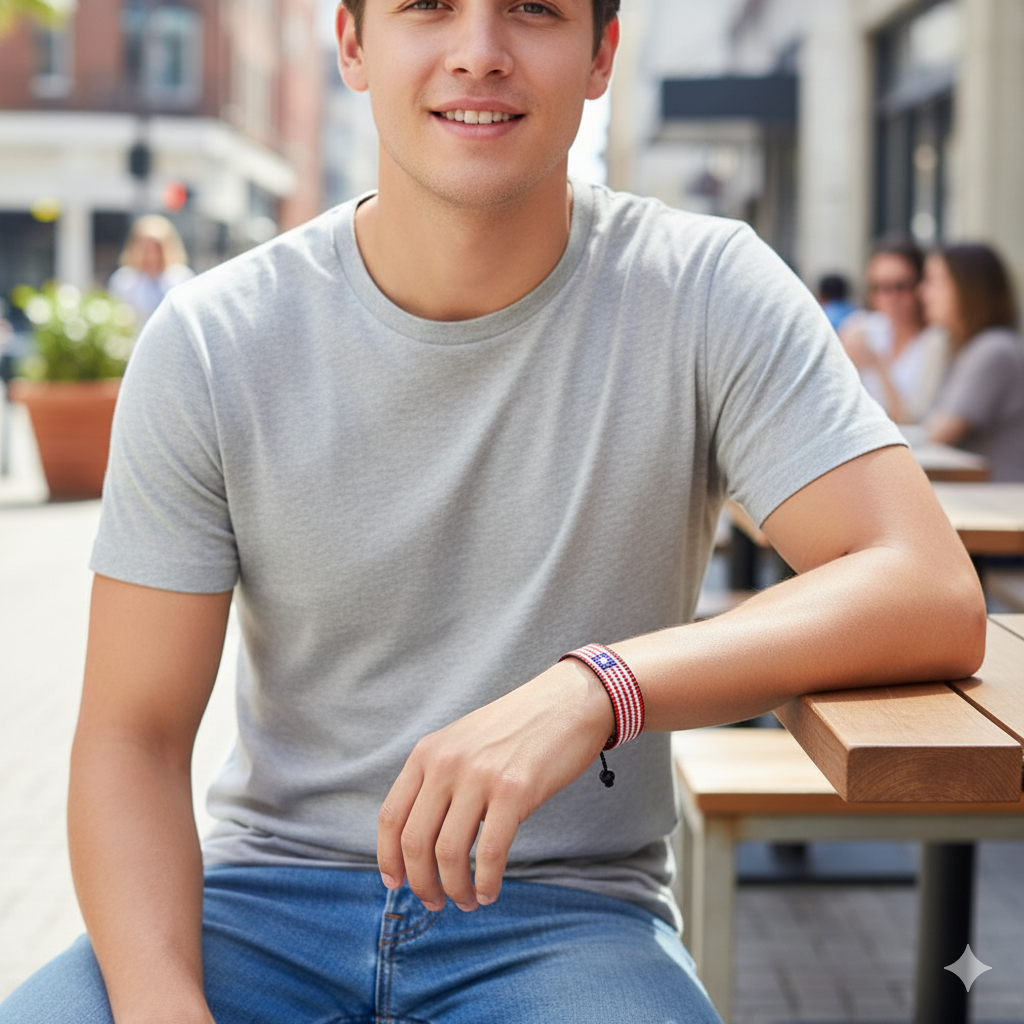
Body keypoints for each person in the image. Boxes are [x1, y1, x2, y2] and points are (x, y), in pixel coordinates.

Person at [0, 2, 984, 1022]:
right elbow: (133, 740)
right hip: (258, 908)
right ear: (352, 43)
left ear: (601, 55)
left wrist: (598, 688)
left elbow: (926, 585)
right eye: (429, 5)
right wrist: (162, 1004)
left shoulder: (702, 289)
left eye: (532, 8)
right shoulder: (213, 340)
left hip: (566, 917)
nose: (478, 52)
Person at [921, 242, 1024, 482]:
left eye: (935, 281)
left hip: (998, 495)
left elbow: (938, 433)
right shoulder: (965, 347)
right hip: (980, 490)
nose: (923, 292)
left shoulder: (994, 349)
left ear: (968, 289)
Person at [839, 237, 948, 423]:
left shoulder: (936, 341)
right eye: (878, 287)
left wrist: (877, 364)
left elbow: (913, 420)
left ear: (920, 286)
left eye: (900, 286)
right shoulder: (860, 328)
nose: (889, 297)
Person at [107, 214, 194, 326]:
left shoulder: (182, 277)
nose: (151, 253)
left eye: (156, 247)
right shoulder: (123, 280)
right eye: (146, 247)